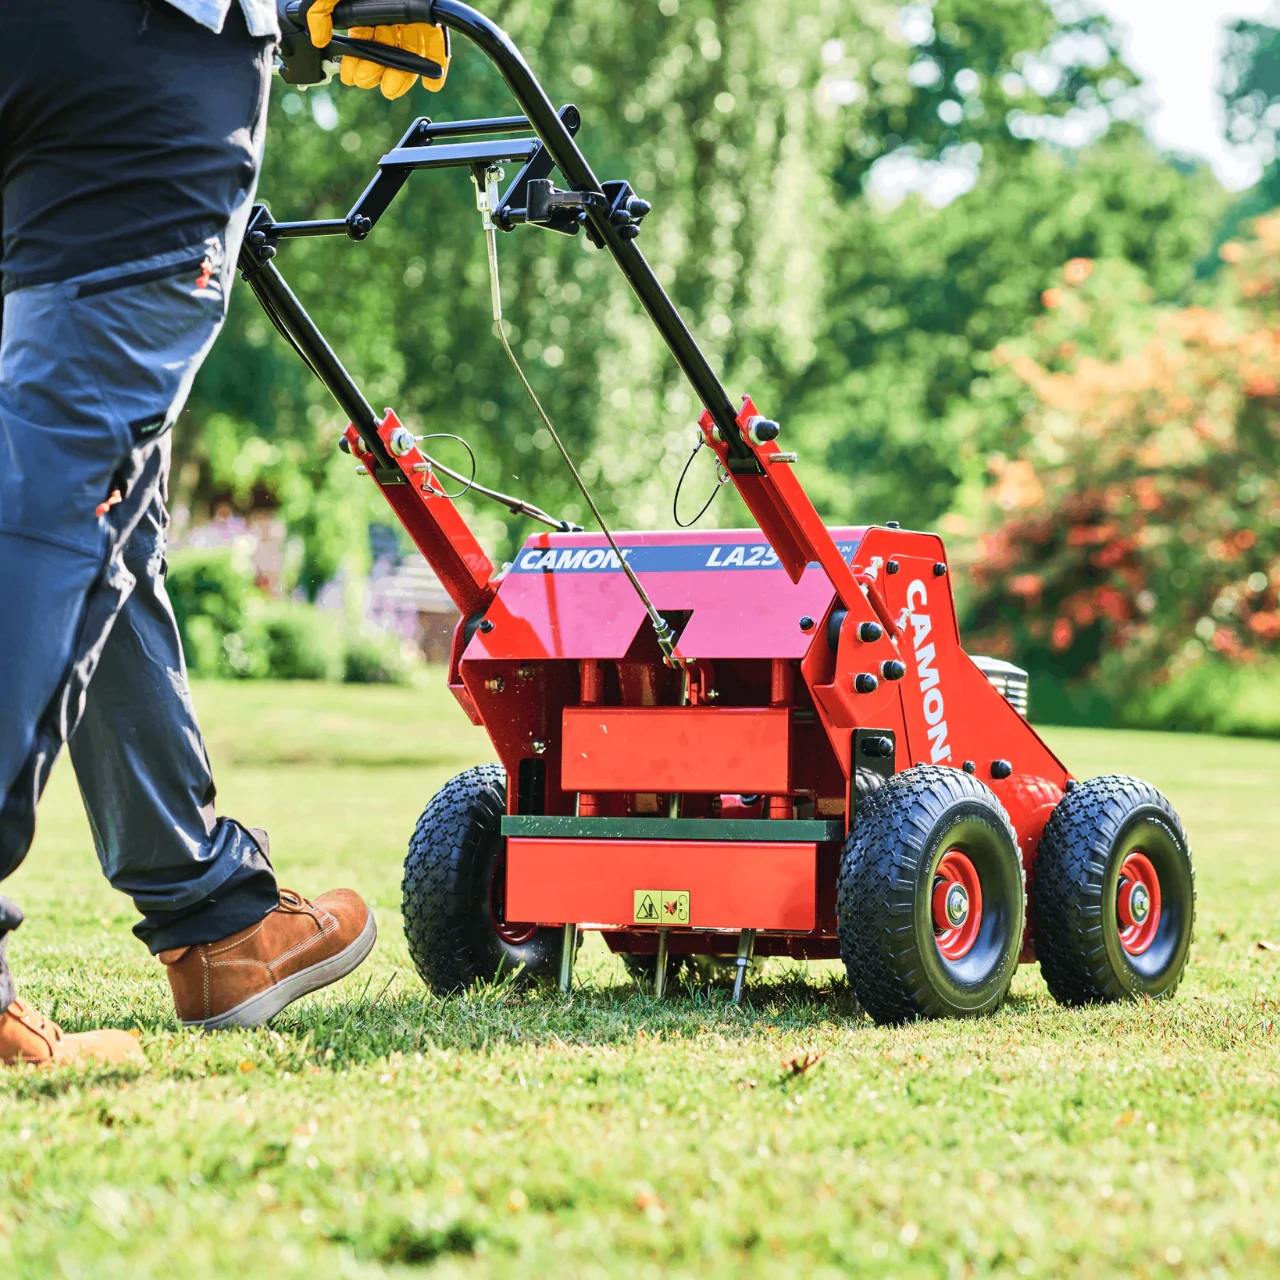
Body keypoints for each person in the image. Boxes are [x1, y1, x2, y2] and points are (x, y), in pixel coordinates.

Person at [0, 0, 448, 1066]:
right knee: (61, 489)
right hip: (136, 64)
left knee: (103, 498)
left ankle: (212, 915)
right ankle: (208, 911)